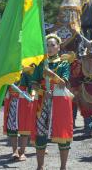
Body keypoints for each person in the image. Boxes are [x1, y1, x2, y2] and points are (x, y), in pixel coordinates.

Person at [31, 34, 73, 170]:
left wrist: (51, 74)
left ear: (58, 47)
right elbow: (34, 84)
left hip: (60, 102)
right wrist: (42, 91)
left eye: (53, 45)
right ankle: (40, 166)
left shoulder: (64, 63)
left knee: (62, 133)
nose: (49, 48)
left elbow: (63, 83)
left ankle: (63, 167)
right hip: (43, 102)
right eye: (47, 45)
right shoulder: (40, 63)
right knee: (40, 134)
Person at [3, 70, 35, 162]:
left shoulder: (27, 74)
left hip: (24, 103)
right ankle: (15, 151)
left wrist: (32, 96)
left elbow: (32, 87)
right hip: (12, 102)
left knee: (24, 128)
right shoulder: (9, 74)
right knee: (12, 128)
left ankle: (22, 152)